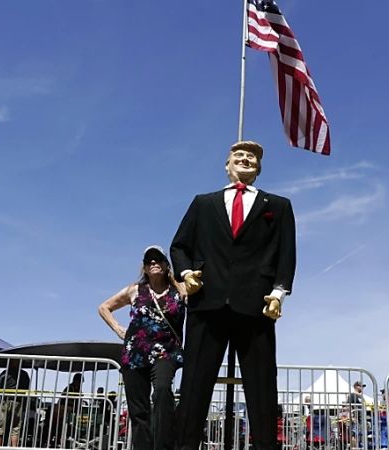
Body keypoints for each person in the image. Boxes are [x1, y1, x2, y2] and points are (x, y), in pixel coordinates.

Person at [171, 140, 297, 450]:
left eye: (252, 157)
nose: (245, 159)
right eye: (238, 156)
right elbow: (179, 246)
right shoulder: (203, 203)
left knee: (262, 386)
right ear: (227, 165)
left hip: (256, 305)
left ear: (259, 167)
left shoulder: (278, 206)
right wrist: (187, 274)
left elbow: (286, 255)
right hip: (207, 303)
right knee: (194, 385)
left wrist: (279, 292)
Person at [98, 245, 186, 450]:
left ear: (166, 264)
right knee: (139, 410)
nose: (153, 262)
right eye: (149, 260)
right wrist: (118, 328)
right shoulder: (134, 290)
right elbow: (104, 307)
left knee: (163, 391)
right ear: (144, 268)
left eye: (157, 259)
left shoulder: (178, 289)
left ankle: (164, 445)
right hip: (135, 354)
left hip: (166, 352)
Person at [0, 359, 32, 447]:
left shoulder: (6, 372)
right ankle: (14, 448)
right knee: (15, 429)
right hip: (18, 402)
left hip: (3, 402)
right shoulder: (24, 374)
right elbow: (26, 390)